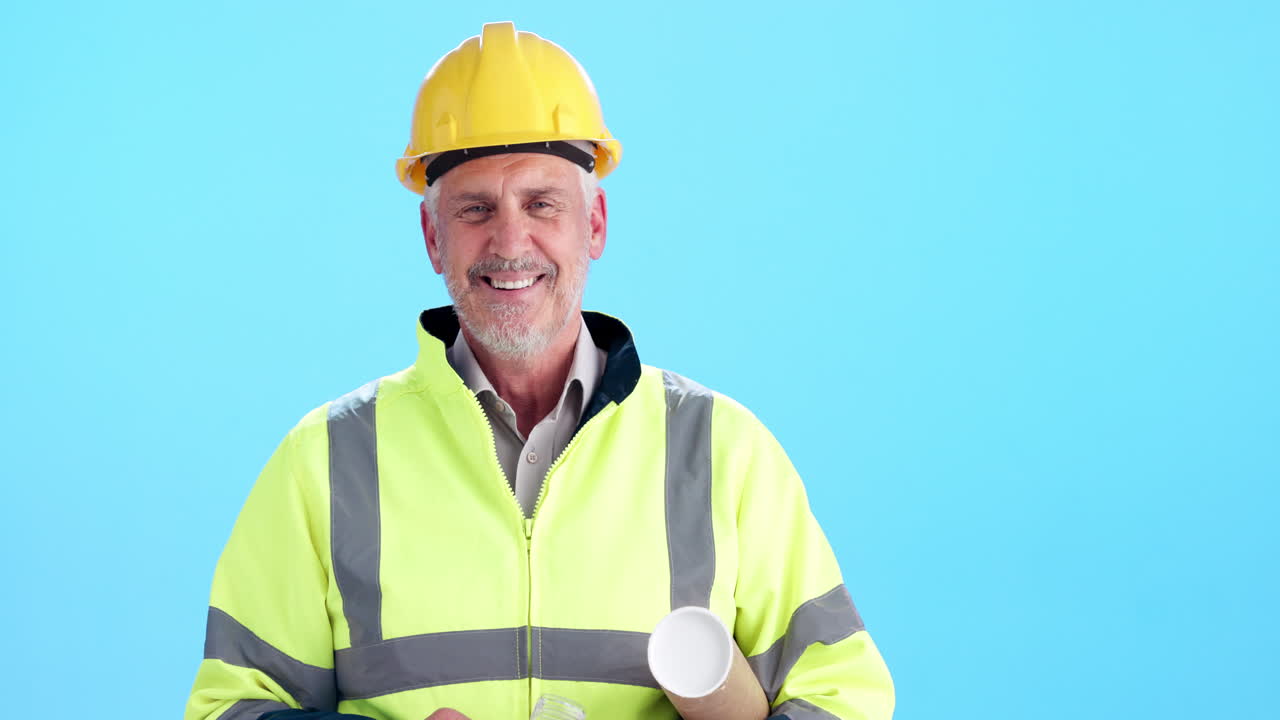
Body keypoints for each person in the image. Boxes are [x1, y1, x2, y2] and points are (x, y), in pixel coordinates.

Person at [184, 21, 894, 720]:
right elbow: (230, 709)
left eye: (541, 204)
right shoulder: (326, 464)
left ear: (595, 225)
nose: (510, 241)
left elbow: (845, 700)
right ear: (434, 238)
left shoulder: (723, 455)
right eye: (475, 208)